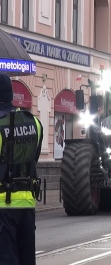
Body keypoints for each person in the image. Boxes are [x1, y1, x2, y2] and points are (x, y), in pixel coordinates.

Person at [0, 72, 43, 265]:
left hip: (3, 205)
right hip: (27, 203)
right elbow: (33, 157)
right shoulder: (34, 123)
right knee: (26, 259)